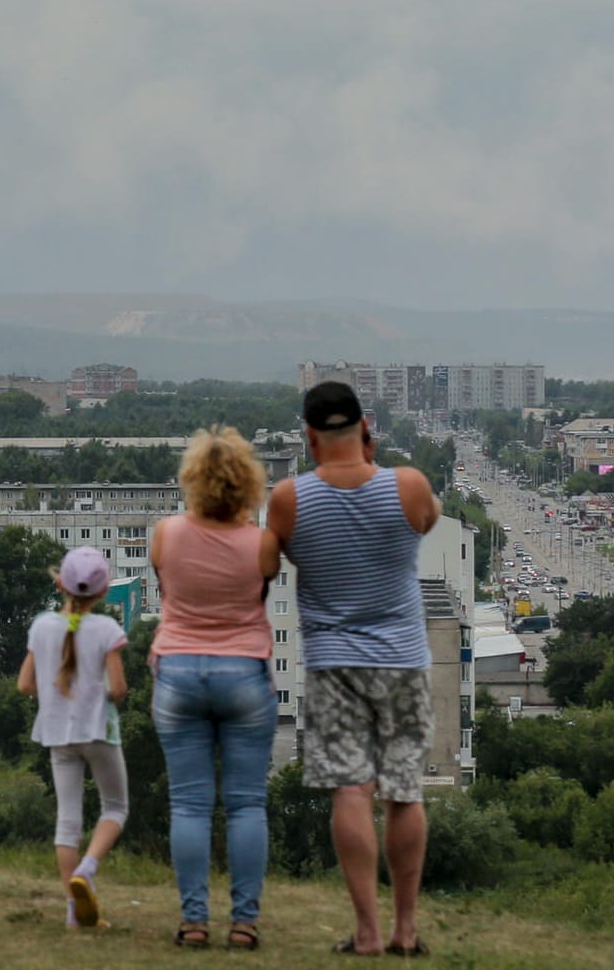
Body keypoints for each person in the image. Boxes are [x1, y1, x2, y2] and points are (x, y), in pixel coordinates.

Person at [265, 382, 440, 958]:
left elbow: (280, 555)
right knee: (404, 792)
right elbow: (429, 519)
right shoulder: (407, 485)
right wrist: (372, 463)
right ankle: (405, 930)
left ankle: (365, 931)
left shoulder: (289, 499)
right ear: (366, 427)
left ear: (309, 437)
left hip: (333, 663)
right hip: (403, 660)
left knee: (351, 790)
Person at [148, 426, 280, 950]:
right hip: (244, 673)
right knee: (247, 805)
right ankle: (244, 923)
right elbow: (261, 587)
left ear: (193, 481)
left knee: (190, 806)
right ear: (248, 483)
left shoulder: (166, 534)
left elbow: (167, 583)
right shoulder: (262, 543)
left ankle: (194, 921)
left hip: (178, 673)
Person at [17, 545, 129, 930]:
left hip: (57, 734)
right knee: (115, 807)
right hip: (99, 731)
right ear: (102, 592)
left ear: (60, 584)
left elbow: (24, 684)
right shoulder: (107, 630)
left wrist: (54, 695)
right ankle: (88, 867)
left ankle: (73, 911)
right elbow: (118, 688)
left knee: (67, 823)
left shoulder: (42, 626)